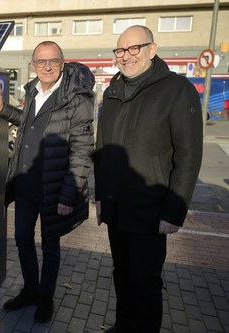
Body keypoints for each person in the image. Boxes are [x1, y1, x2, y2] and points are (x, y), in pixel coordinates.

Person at [93, 25, 203, 333]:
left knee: (145, 282)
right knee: (121, 273)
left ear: (152, 50)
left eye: (133, 49)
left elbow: (188, 155)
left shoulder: (177, 89)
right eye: (120, 50)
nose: (125, 56)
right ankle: (123, 326)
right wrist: (100, 197)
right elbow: (102, 149)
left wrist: (174, 211)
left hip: (150, 210)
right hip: (116, 207)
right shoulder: (112, 90)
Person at [0, 41, 95, 323]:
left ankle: (46, 299)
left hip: (54, 190)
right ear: (33, 65)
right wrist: (3, 110)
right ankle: (30, 290)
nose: (46, 67)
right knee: (23, 239)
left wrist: (68, 196)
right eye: (40, 62)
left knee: (50, 247)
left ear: (62, 63)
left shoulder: (77, 98)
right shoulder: (32, 91)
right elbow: (28, 123)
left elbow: (82, 151)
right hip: (26, 185)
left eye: (52, 61)